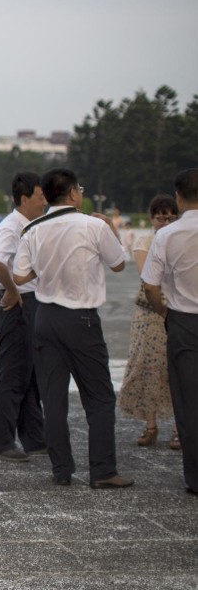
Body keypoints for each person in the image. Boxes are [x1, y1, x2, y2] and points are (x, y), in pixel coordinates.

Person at [13, 167, 133, 489]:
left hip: (46, 317)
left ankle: (62, 469)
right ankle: (103, 469)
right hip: (81, 319)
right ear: (73, 193)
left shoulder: (34, 229)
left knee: (53, 398)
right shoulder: (93, 225)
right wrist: (110, 228)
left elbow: (20, 276)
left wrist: (48, 272)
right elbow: (119, 263)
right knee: (99, 397)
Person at [0, 172, 48, 462]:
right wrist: (12, 290)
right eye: (40, 197)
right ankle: (1, 442)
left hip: (28, 302)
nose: (45, 202)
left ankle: (34, 438)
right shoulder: (12, 227)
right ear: (24, 199)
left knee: (30, 375)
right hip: (17, 304)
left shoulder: (29, 225)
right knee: (12, 374)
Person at [142, 168, 198, 495]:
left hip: (183, 321)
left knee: (189, 402)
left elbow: (150, 286)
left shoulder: (166, 235)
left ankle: (195, 477)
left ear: (177, 196)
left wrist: (164, 311)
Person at [119, 195, 179, 448]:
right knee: (147, 366)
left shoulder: (180, 239)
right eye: (160, 217)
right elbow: (148, 277)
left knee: (177, 368)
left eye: (169, 217)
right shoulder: (145, 241)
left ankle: (179, 427)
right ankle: (150, 425)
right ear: (151, 218)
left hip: (177, 308)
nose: (165, 222)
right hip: (149, 311)